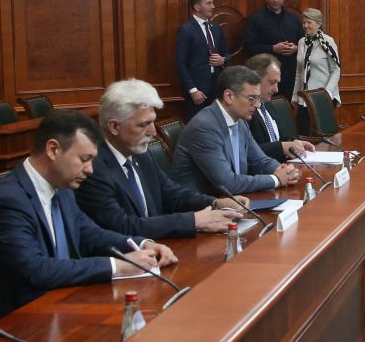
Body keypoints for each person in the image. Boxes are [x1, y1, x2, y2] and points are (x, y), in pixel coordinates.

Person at [0, 110, 175, 322]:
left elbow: (88, 233)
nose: (90, 170)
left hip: (58, 307)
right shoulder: (7, 201)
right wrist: (118, 265)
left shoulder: (62, 187)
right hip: (9, 325)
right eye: (84, 159)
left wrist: (141, 244)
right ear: (53, 149)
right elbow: (36, 269)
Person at [75, 78, 248, 239]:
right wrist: (193, 221)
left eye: (152, 122)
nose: (152, 132)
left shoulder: (141, 154)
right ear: (114, 126)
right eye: (143, 125)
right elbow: (122, 226)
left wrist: (216, 202)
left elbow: (172, 195)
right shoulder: (93, 168)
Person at [172, 65, 302, 196]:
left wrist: (284, 170)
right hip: (204, 208)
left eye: (258, 98)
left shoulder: (240, 121)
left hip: (235, 201)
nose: (257, 105)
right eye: (252, 99)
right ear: (229, 96)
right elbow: (228, 183)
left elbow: (260, 160)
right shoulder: (204, 127)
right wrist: (276, 179)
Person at [242, 0, 304, 98]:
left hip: (290, 76)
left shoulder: (293, 19)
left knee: (288, 112)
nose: (276, 0)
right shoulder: (256, 18)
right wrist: (273, 49)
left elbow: (303, 43)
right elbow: (248, 47)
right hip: (265, 77)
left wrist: (296, 48)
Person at [250, 54, 315, 162]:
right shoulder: (245, 111)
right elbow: (248, 151)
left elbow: (277, 138)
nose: (276, 90)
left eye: (277, 83)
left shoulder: (269, 105)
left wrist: (295, 142)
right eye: (272, 83)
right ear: (254, 79)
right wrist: (281, 147)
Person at [175, 0, 228, 118]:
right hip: (198, 91)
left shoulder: (216, 28)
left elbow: (226, 53)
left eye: (212, 3)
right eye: (209, 3)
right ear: (197, 7)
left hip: (217, 87)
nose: (213, 6)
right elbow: (180, 63)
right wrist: (192, 90)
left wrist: (223, 60)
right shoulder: (186, 30)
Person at [291, 6, 342, 135]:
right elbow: (299, 72)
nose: (305, 25)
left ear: (318, 24)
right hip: (304, 97)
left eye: (309, 22)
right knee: (302, 133)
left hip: (323, 97)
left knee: (322, 135)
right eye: (304, 22)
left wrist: (327, 93)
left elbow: (336, 69)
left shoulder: (328, 41)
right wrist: (295, 96)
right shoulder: (302, 42)